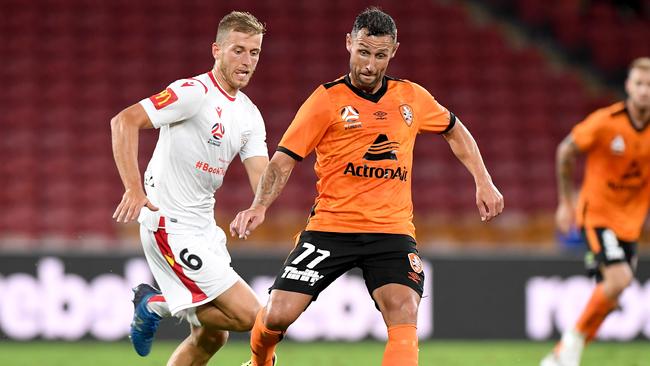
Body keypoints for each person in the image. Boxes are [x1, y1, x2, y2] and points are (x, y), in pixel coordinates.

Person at [230, 7, 504, 366]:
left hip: (390, 231)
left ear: (394, 52)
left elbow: (454, 128)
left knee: (404, 311)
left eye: (379, 55)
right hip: (331, 227)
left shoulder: (412, 98)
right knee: (279, 314)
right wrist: (259, 205)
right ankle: (260, 360)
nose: (370, 65)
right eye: (363, 52)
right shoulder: (325, 100)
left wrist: (483, 180)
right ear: (349, 44)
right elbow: (283, 159)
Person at [110, 11, 269, 366]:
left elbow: (261, 172)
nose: (246, 61)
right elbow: (124, 121)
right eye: (238, 50)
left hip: (202, 228)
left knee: (213, 336)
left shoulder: (248, 114)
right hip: (169, 223)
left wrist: (260, 205)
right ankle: (158, 303)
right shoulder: (193, 92)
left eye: (254, 53)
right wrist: (134, 189)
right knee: (253, 317)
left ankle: (157, 303)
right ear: (216, 50)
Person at [541, 57, 650, 366]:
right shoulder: (606, 122)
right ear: (629, 86)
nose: (644, 92)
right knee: (619, 280)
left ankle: (560, 356)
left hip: (631, 222)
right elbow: (566, 150)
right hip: (598, 213)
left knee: (611, 292)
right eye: (639, 84)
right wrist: (565, 202)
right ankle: (572, 345)